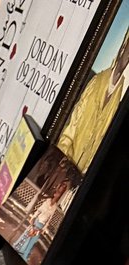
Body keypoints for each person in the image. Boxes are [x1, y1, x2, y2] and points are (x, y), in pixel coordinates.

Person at [57, 21, 129, 174]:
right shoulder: (97, 81)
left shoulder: (121, 101)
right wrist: (61, 159)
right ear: (124, 45)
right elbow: (72, 126)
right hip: (62, 168)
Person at [13, 179, 68, 262]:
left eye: (59, 194)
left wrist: (44, 229)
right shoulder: (47, 201)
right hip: (36, 222)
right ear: (55, 192)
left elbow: (49, 219)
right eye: (57, 192)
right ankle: (18, 249)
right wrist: (32, 218)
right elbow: (38, 210)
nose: (57, 195)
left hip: (41, 226)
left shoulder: (54, 207)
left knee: (32, 242)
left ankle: (24, 257)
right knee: (27, 236)